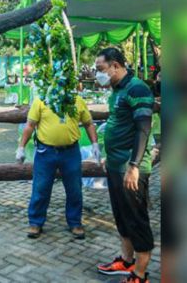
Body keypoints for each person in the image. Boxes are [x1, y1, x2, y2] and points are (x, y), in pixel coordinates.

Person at [93, 48, 154, 283]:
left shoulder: (137, 88)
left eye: (101, 69)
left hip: (132, 170)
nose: (98, 74)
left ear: (115, 66)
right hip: (116, 166)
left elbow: (143, 128)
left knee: (137, 220)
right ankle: (127, 262)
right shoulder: (117, 90)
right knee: (122, 216)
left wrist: (134, 165)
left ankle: (140, 275)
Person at [16, 94, 99, 239]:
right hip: (45, 152)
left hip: (70, 152)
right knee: (40, 187)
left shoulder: (76, 100)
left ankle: (75, 222)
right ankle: (35, 222)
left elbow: (88, 123)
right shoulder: (41, 100)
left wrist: (95, 144)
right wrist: (21, 147)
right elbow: (30, 125)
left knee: (74, 188)